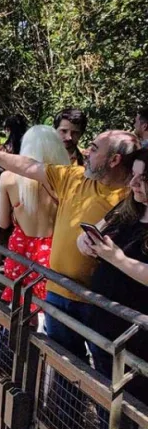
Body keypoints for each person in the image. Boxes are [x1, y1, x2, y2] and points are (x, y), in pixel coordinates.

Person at [0, 128, 136, 361]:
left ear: (114, 160)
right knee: (62, 362)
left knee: (103, 369)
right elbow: (27, 166)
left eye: (94, 149)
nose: (87, 151)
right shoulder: (74, 177)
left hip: (99, 302)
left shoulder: (134, 197)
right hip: (58, 291)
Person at [78, 148, 148, 402]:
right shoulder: (128, 208)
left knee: (132, 401)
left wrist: (117, 259)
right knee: (105, 394)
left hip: (137, 338)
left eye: (143, 179)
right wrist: (85, 243)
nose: (133, 183)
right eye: (134, 175)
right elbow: (91, 233)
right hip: (104, 324)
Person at [0, 125, 70, 311]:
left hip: (19, 249)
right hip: (53, 250)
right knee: (47, 306)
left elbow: (2, 222)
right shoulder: (66, 180)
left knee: (20, 306)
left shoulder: (8, 178)